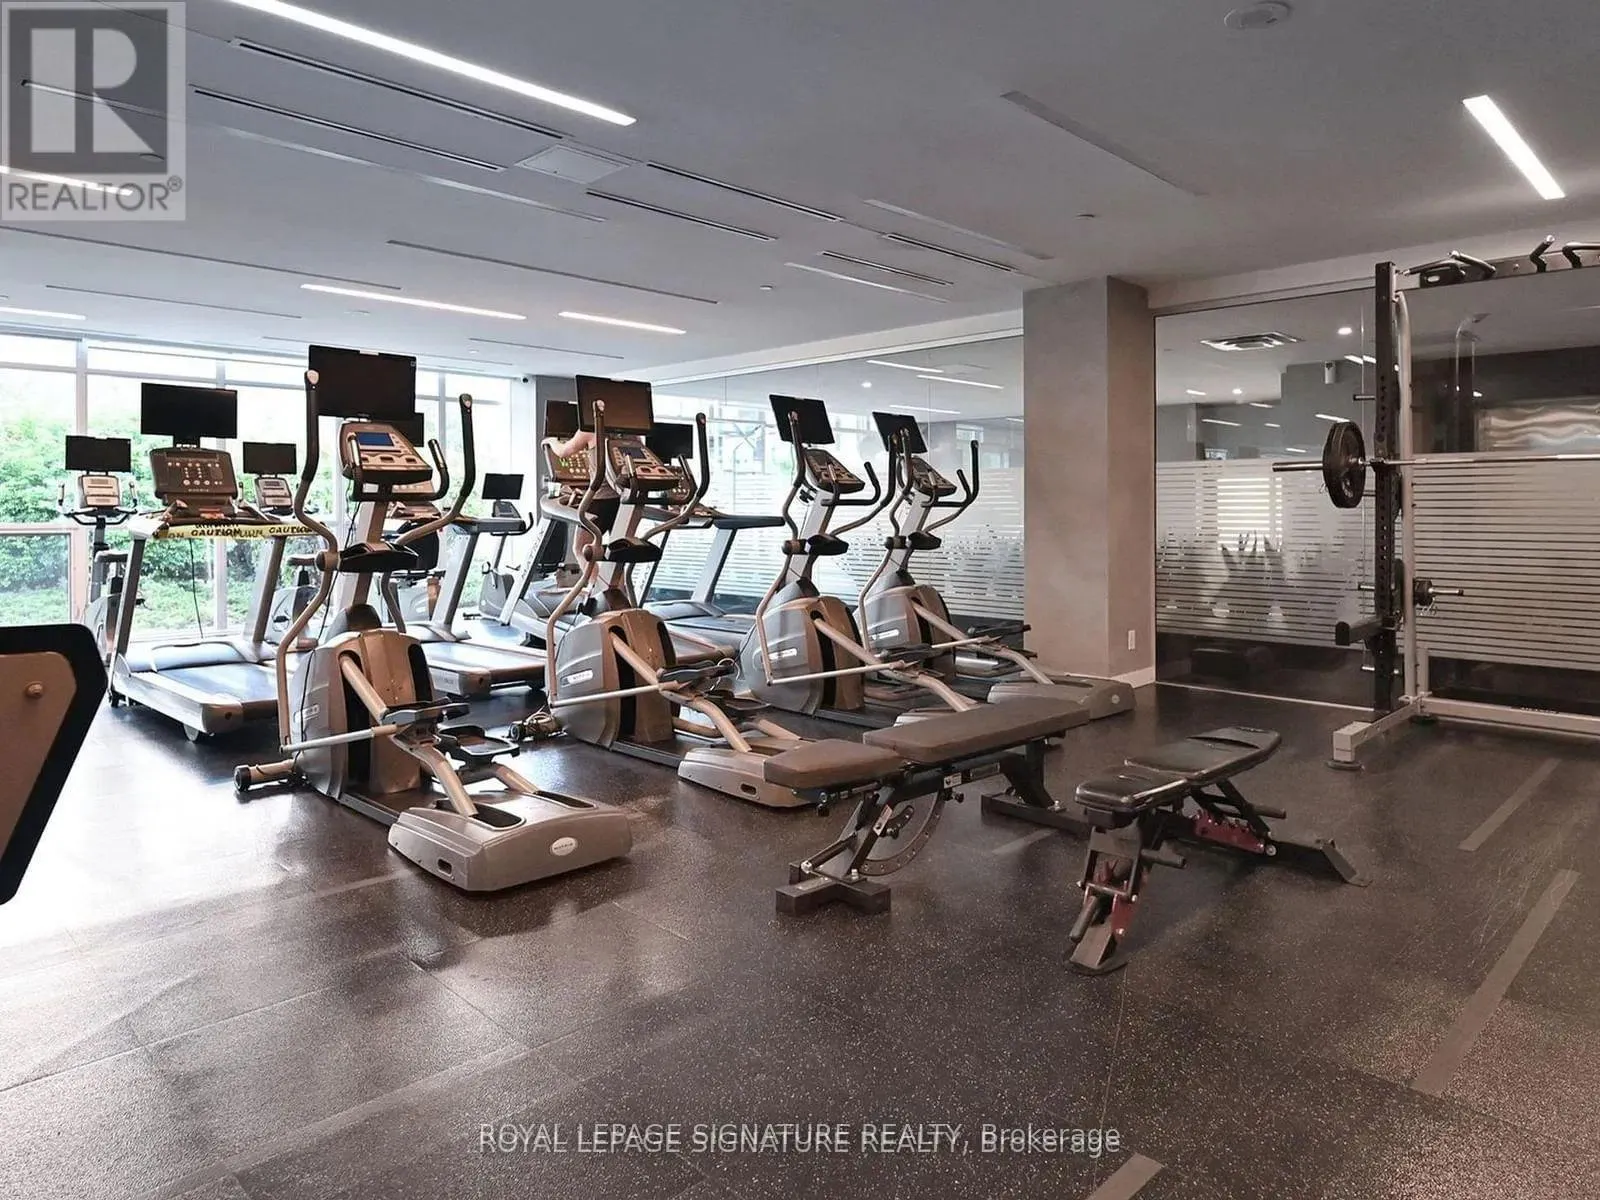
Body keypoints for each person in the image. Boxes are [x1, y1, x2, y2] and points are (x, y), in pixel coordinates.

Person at [553, 428, 603, 558]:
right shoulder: (631, 434)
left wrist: (550, 441)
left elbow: (562, 452)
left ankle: (592, 574)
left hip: (601, 498)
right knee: (617, 549)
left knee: (581, 548)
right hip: (622, 498)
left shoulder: (590, 429)